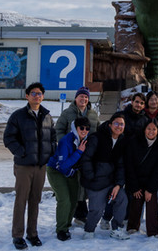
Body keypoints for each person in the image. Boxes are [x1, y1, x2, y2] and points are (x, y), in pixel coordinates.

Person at [3, 82, 56, 250]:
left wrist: (50, 151)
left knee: (35, 200)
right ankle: (17, 235)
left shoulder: (47, 116)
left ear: (43, 96)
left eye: (39, 93)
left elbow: (52, 137)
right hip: (24, 166)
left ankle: (32, 233)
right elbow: (9, 138)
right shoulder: (18, 116)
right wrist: (22, 152)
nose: (36, 96)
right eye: (33, 93)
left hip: (40, 166)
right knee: (21, 200)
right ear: (27, 96)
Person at [80, 112, 129, 240]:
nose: (119, 126)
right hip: (95, 181)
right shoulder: (97, 137)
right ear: (110, 124)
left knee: (122, 198)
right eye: (116, 123)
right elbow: (86, 158)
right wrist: (91, 176)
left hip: (111, 181)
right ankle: (89, 230)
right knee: (97, 209)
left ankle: (117, 228)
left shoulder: (122, 140)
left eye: (122, 124)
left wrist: (118, 184)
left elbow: (121, 165)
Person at [54, 86, 100, 224]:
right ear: (76, 98)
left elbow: (97, 131)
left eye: (86, 97)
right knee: (74, 180)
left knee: (84, 181)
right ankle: (77, 212)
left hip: (87, 153)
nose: (84, 99)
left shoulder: (92, 114)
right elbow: (59, 129)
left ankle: (80, 210)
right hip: (72, 152)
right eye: (81, 96)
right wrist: (66, 145)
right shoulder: (68, 113)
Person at [47, 117, 90, 241]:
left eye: (87, 128)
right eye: (81, 127)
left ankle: (66, 225)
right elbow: (63, 165)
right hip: (56, 171)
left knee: (73, 199)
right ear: (75, 128)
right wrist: (79, 152)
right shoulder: (66, 140)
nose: (84, 130)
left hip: (71, 171)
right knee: (64, 200)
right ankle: (61, 229)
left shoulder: (85, 140)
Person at [125, 119, 158, 237]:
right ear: (144, 130)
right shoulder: (134, 142)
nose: (151, 131)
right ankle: (132, 226)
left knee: (151, 200)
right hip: (136, 179)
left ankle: (153, 231)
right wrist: (134, 186)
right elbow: (129, 165)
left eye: (154, 129)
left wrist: (150, 189)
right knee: (136, 199)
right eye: (149, 128)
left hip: (151, 180)